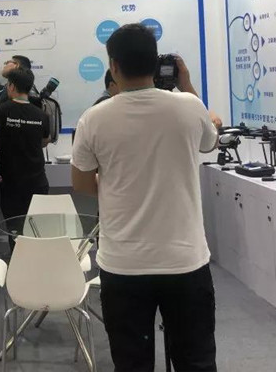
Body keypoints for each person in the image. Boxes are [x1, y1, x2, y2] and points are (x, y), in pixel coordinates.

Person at [70, 23, 220, 372]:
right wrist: (186, 85)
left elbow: (81, 183)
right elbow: (209, 142)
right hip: (185, 261)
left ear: (114, 66)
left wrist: (117, 188)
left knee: (131, 363)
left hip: (123, 263)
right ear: (157, 63)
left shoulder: (94, 118)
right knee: (196, 360)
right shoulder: (189, 106)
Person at [0, 68, 50, 250]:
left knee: (15, 230)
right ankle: (37, 263)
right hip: (37, 180)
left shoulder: (1, 110)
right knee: (36, 229)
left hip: (12, 181)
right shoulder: (41, 114)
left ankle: (18, 263)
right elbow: (45, 141)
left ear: (11, 86)